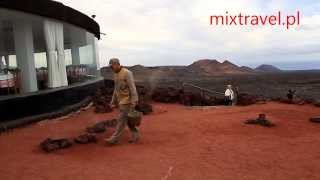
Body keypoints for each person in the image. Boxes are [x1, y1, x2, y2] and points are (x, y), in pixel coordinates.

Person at [105, 58, 140, 145]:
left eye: (112, 66)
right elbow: (116, 89)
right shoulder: (115, 74)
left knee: (121, 120)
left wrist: (134, 100)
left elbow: (132, 87)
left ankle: (114, 139)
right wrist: (113, 101)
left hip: (127, 101)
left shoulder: (127, 73)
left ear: (117, 64)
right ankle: (136, 136)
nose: (111, 68)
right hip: (121, 101)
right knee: (127, 120)